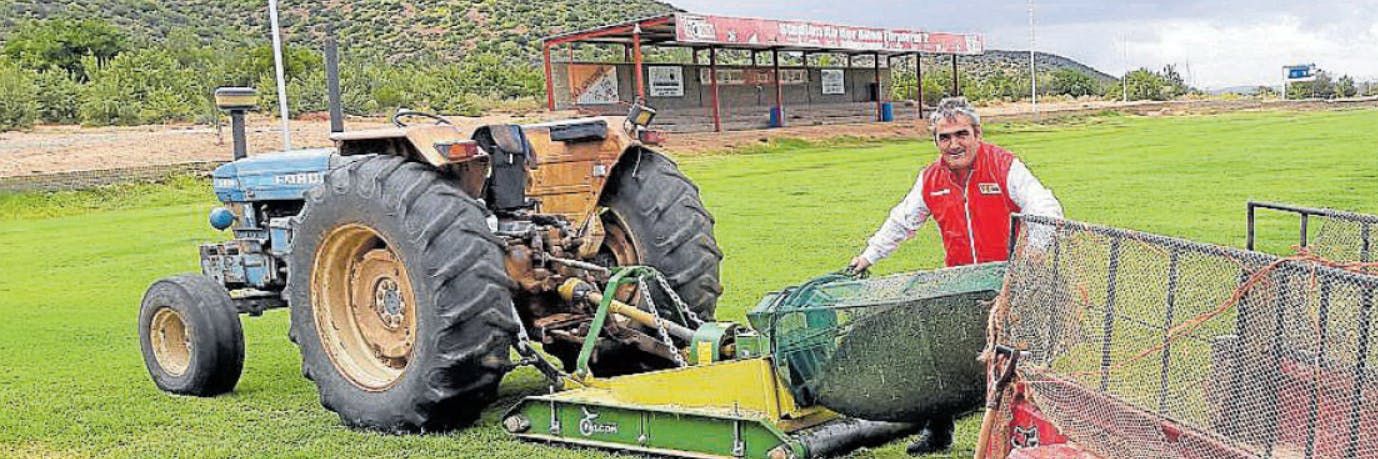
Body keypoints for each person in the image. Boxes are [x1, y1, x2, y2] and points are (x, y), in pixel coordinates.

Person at [848, 97, 1064, 455]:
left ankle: (1027, 436)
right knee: (942, 359)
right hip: (961, 285)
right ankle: (939, 434)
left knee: (1021, 364)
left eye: (961, 134)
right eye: (944, 137)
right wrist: (867, 256)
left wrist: (1036, 252)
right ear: (936, 142)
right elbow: (903, 221)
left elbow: (1045, 207)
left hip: (1012, 286)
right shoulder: (931, 179)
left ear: (977, 134)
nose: (954, 144)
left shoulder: (1003, 165)